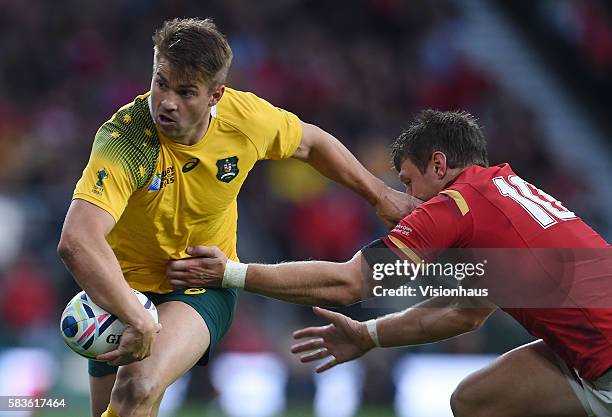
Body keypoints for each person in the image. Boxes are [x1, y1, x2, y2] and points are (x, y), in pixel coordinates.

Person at [57, 17, 418, 417]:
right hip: (119, 292)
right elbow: (77, 241)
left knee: (137, 386)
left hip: (198, 285)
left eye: (186, 91)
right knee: (122, 407)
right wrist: (134, 316)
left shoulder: (245, 120)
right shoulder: (127, 139)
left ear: (216, 95)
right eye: (160, 83)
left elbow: (312, 143)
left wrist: (379, 193)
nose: (167, 102)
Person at [169, 109, 612, 417]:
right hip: (591, 353)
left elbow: (349, 284)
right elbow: (463, 313)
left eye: (407, 182)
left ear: (438, 165)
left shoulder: (456, 204)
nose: (407, 199)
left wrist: (230, 272)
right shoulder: (504, 194)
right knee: (477, 401)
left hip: (605, 361)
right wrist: (368, 334)